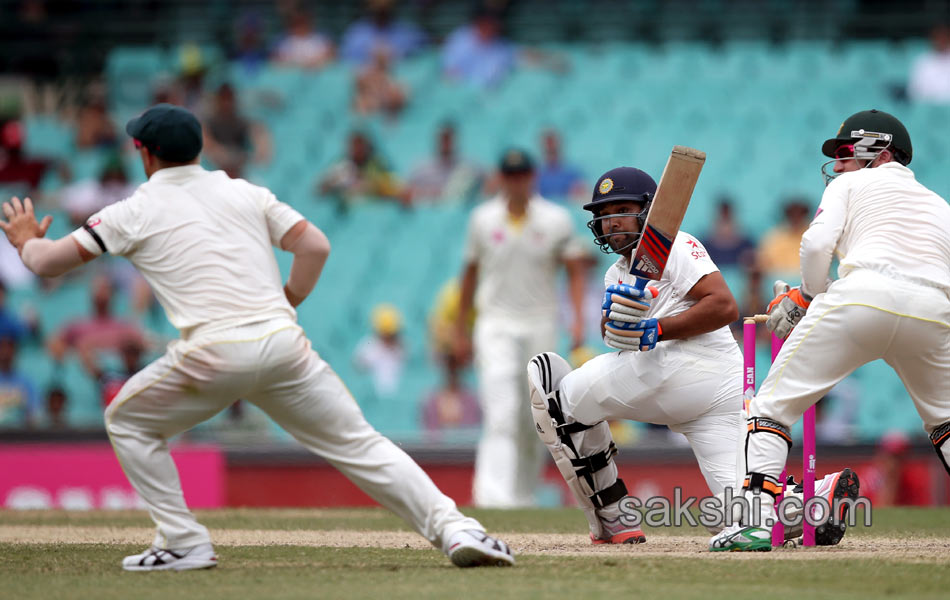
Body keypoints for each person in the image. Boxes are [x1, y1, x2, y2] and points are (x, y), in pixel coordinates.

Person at [0, 103, 513, 570]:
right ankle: (457, 528)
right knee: (361, 443)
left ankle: (182, 540)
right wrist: (288, 299)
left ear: (145, 155)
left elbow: (46, 264)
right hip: (284, 347)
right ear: (198, 149)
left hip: (212, 355)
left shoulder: (131, 210)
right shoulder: (244, 191)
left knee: (126, 420)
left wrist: (26, 241)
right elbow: (315, 245)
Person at [524, 166, 856, 546]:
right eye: (603, 215)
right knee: (743, 513)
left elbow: (724, 306)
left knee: (555, 395)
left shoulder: (676, 245)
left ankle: (613, 516)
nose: (611, 223)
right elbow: (613, 336)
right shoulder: (617, 272)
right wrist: (617, 322)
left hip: (679, 364)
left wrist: (657, 328)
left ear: (649, 212)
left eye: (620, 211)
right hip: (713, 387)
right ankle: (815, 502)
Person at [711, 109, 949, 551]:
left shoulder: (849, 184)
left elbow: (817, 243)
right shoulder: (939, 204)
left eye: (844, 154)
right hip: (935, 310)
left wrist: (806, 295)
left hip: (863, 296)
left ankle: (756, 524)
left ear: (880, 151)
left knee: (770, 407)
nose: (836, 166)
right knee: (946, 423)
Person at [455, 148, 587, 508]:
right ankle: (493, 498)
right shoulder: (482, 219)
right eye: (510, 175)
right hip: (495, 323)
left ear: (533, 177)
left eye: (523, 174)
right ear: (501, 177)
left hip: (540, 322)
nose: (517, 182)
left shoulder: (556, 219)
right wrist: (459, 330)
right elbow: (468, 276)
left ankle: (522, 494)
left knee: (537, 415)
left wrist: (576, 321)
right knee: (501, 410)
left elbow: (575, 269)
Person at [317, 131, 406, 207]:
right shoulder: (342, 166)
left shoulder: (378, 163)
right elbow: (322, 189)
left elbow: (393, 186)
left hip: (372, 203)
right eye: (354, 147)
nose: (358, 150)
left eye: (360, 146)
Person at [202, 83, 272, 179]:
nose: (226, 103)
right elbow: (208, 146)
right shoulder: (209, 123)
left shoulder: (241, 121)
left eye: (229, 99)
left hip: (240, 172)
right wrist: (225, 156)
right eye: (223, 99)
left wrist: (258, 152)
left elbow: (259, 135)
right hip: (216, 172)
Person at [408, 122, 482, 205]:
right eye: (443, 139)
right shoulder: (421, 170)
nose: (445, 143)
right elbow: (408, 193)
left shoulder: (470, 167)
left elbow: (488, 182)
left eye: (448, 139)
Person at [442, 8, 517, 89]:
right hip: (458, 88)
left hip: (485, 92)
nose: (489, 29)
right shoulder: (461, 37)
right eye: (486, 25)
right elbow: (449, 71)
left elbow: (494, 77)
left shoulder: (502, 46)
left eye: (493, 26)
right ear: (478, 24)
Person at [340, 0, 425, 66]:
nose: (381, 9)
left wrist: (397, 56)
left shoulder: (408, 32)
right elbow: (347, 65)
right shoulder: (356, 33)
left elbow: (422, 59)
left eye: (384, 7)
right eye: (377, 6)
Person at [353, 303, 406, 402]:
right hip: (375, 397)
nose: (392, 338)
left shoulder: (402, 347)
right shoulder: (368, 347)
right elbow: (358, 367)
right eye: (389, 335)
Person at [756, 198, 811, 279]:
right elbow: (763, 264)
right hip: (779, 283)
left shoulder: (816, 236)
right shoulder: (773, 237)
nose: (796, 219)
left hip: (811, 283)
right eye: (792, 215)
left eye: (800, 215)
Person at [353, 47, 409, 119]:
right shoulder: (364, 75)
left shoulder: (397, 82)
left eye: (385, 58)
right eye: (377, 58)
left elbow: (398, 100)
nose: (380, 61)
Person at [536, 130, 585, 203]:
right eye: (549, 151)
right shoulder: (536, 174)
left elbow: (581, 195)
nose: (550, 147)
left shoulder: (572, 172)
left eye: (553, 150)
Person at [0, 335, 37, 427]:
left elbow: (33, 415)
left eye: (9, 347)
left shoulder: (27, 382)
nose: (5, 352)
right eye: (2, 348)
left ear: (15, 351)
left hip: (18, 436)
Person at [908, 24, 950, 104]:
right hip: (928, 108)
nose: (941, 41)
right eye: (938, 37)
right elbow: (915, 91)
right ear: (932, 39)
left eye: (945, 37)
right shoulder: (922, 61)